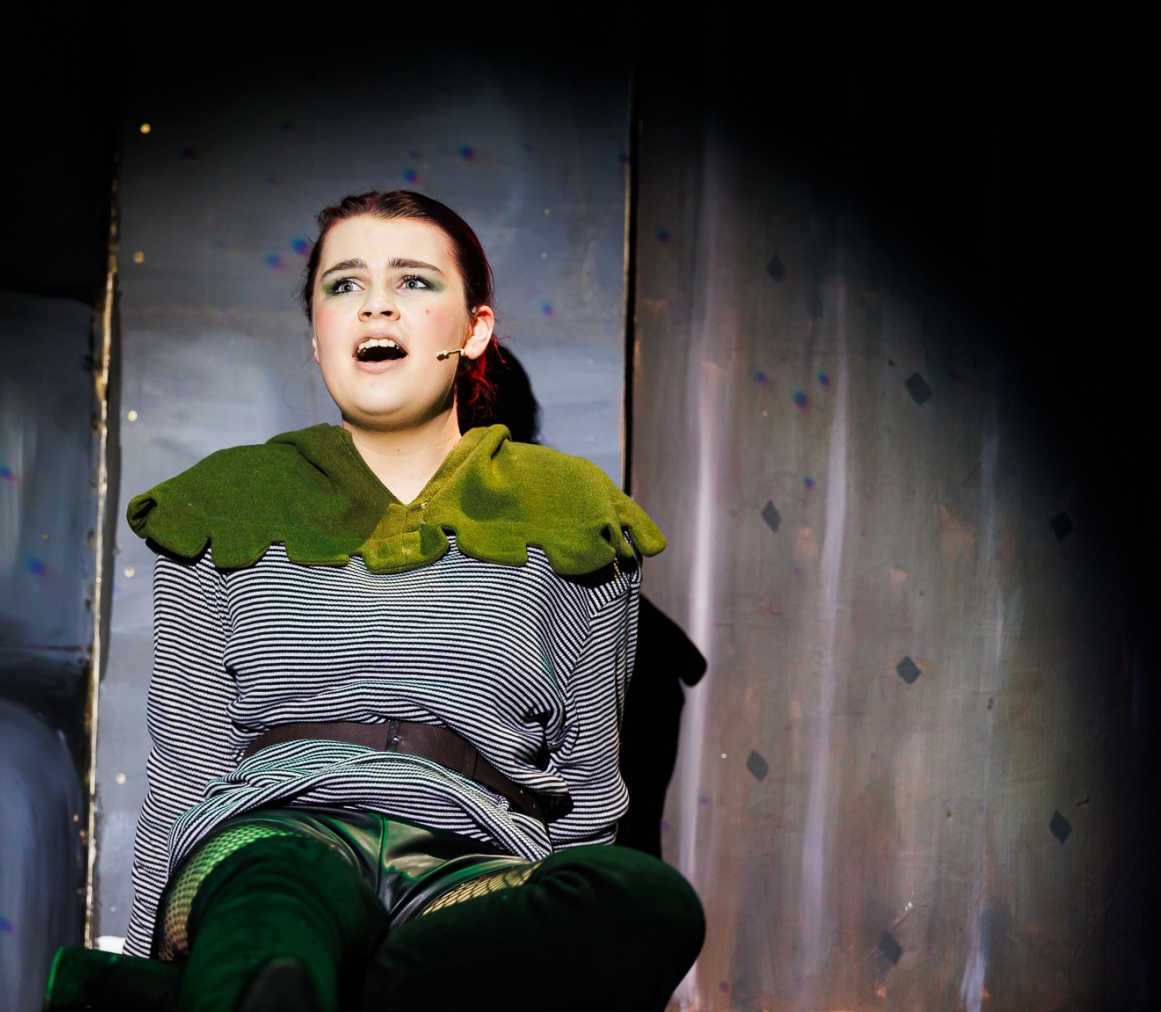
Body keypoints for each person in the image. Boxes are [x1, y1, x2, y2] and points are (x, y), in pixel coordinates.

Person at [47, 191, 704, 1012]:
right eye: (344, 285)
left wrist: (562, 926)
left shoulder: (568, 507)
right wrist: (159, 947)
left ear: (475, 330)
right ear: (317, 334)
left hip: (473, 862)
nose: (376, 305)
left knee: (648, 899)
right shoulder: (227, 499)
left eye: (414, 281)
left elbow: (588, 785)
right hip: (278, 829)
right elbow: (186, 765)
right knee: (276, 895)